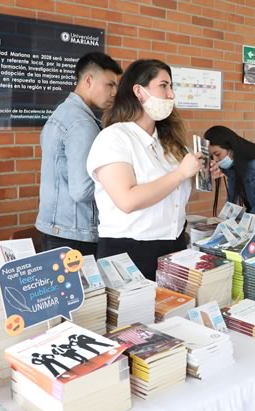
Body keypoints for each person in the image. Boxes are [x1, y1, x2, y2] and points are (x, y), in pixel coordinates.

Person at [86, 59, 202, 280]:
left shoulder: (169, 142)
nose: (171, 95)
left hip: (174, 245)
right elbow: (127, 200)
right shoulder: (114, 138)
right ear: (138, 91)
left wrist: (197, 176)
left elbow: (175, 195)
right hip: (130, 252)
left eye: (171, 87)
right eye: (163, 85)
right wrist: (179, 174)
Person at [36, 52, 122, 256]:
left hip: (57, 228)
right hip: (75, 234)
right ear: (88, 80)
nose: (114, 92)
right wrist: (121, 184)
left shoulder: (62, 113)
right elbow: (82, 190)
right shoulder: (82, 124)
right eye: (110, 85)